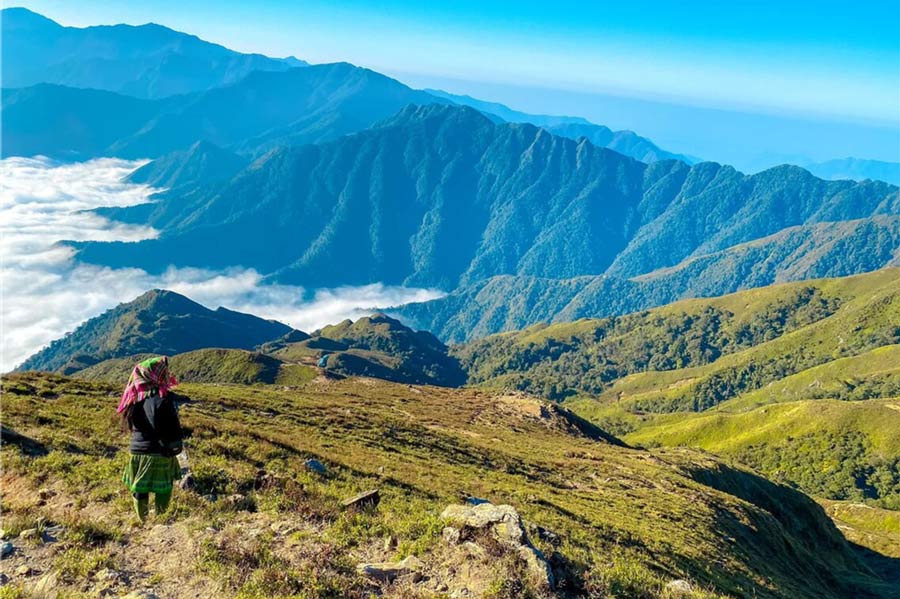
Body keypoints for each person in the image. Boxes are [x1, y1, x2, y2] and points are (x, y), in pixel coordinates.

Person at [117, 356, 184, 522]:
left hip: (137, 451)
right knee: (163, 488)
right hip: (159, 452)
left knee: (140, 488)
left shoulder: (133, 398)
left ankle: (142, 521)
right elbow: (171, 429)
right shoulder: (162, 399)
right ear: (156, 375)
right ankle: (160, 520)